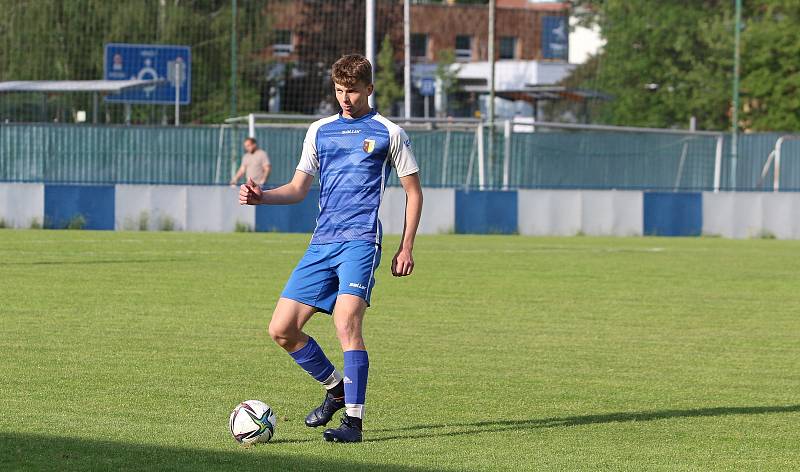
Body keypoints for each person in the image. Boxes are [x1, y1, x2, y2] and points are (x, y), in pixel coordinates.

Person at [239, 54, 423, 443]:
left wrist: (406, 247)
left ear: (369, 89)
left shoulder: (390, 132)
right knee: (281, 329)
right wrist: (262, 197)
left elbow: (413, 192)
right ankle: (336, 389)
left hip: (360, 242)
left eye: (352, 91)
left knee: (346, 323)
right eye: (339, 90)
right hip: (322, 242)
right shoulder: (319, 131)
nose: (345, 98)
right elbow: (298, 189)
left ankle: (353, 424)